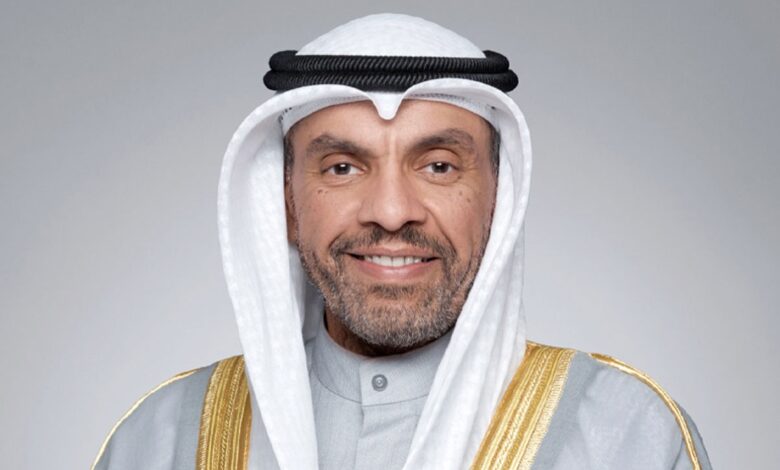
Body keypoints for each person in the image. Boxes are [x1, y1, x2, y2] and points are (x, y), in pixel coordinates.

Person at [92, 13, 712, 470]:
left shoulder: (629, 436)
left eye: (438, 166)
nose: (391, 213)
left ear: (499, 201)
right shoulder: (158, 441)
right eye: (342, 167)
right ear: (285, 204)